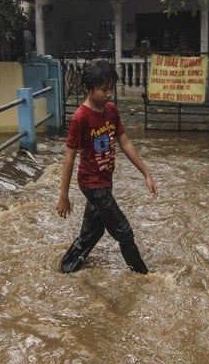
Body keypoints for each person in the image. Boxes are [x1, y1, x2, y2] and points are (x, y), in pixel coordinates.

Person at [56, 59, 158, 274]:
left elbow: (125, 141)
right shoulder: (80, 118)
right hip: (92, 184)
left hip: (105, 181)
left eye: (111, 88)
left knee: (93, 232)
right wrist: (64, 196)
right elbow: (69, 159)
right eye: (104, 90)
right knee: (124, 232)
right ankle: (143, 276)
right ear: (87, 88)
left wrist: (146, 173)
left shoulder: (111, 111)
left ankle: (67, 268)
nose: (109, 94)